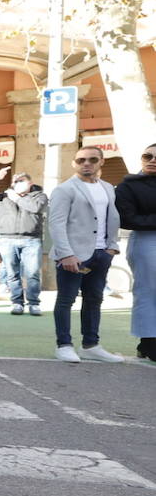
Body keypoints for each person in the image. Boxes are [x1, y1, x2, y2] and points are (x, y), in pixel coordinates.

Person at [49, 145, 124, 363]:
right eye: (81, 160)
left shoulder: (108, 187)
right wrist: (66, 254)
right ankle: (63, 345)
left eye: (92, 159)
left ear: (101, 162)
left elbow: (112, 218)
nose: (86, 164)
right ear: (74, 163)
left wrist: (112, 247)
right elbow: (56, 224)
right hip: (74, 255)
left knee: (94, 299)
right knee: (66, 300)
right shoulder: (65, 189)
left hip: (102, 253)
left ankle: (91, 345)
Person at [0, 166, 48, 316]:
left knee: (32, 273)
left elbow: (35, 208)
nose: (18, 183)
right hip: (6, 239)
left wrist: (17, 198)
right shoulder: (4, 196)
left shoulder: (39, 196)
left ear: (30, 183)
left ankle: (34, 303)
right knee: (12, 274)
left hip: (31, 240)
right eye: (16, 181)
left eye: (22, 181)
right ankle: (17, 302)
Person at [116, 143, 156, 362]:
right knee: (148, 292)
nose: (152, 160)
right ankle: (149, 343)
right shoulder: (128, 185)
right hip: (147, 241)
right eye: (147, 156)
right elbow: (127, 218)